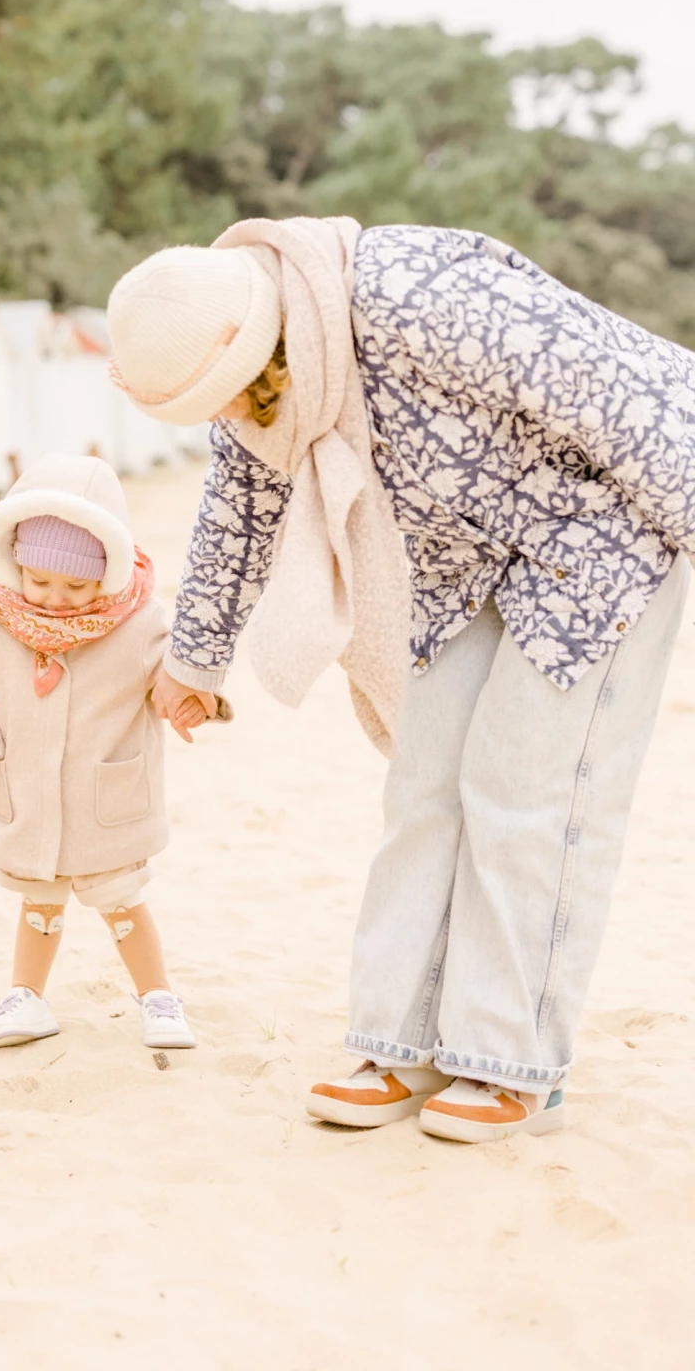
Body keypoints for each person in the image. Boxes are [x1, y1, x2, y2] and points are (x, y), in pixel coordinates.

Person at [107, 218, 695, 1142]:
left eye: (231, 396)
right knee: (424, 784)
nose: (231, 415)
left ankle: (511, 1062)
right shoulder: (256, 371)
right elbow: (240, 505)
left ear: (263, 342)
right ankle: (401, 1043)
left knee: (523, 788)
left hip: (601, 536)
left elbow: (643, 412)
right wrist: (193, 661)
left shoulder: (421, 298)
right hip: (464, 562)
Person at [0, 452, 222, 1054]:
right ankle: (25, 996)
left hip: (103, 797)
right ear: (15, 564)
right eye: (40, 581)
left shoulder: (137, 625)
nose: (55, 598)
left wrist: (195, 698)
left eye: (76, 586)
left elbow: (178, 671)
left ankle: (157, 997)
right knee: (39, 894)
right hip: (24, 790)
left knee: (120, 898)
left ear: (105, 573)